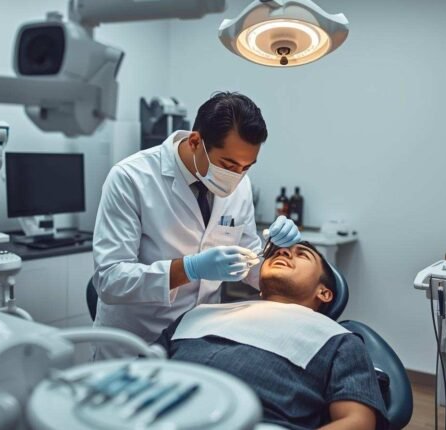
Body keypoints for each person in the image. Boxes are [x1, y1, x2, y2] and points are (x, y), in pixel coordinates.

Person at [91, 91, 302, 343]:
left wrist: (275, 252)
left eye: (247, 167)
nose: (236, 176)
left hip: (198, 337)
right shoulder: (130, 178)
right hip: (136, 341)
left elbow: (249, 262)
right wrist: (190, 268)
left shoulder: (240, 185)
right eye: (228, 164)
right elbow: (109, 280)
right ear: (194, 142)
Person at [155, 242, 388, 430]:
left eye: (303, 254)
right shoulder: (199, 313)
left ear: (324, 293)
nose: (284, 251)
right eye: (278, 251)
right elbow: (140, 370)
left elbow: (358, 422)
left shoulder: (337, 339)